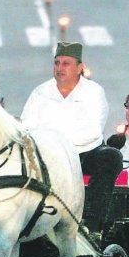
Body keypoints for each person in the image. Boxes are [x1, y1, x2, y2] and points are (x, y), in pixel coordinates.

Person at [21, 42, 122, 199]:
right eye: (57, 63)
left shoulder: (93, 91)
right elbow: (27, 126)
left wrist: (62, 144)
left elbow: (94, 131)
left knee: (111, 157)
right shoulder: (40, 92)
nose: (59, 68)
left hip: (84, 154)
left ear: (80, 67)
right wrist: (50, 148)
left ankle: (93, 213)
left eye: (66, 64)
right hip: (47, 155)